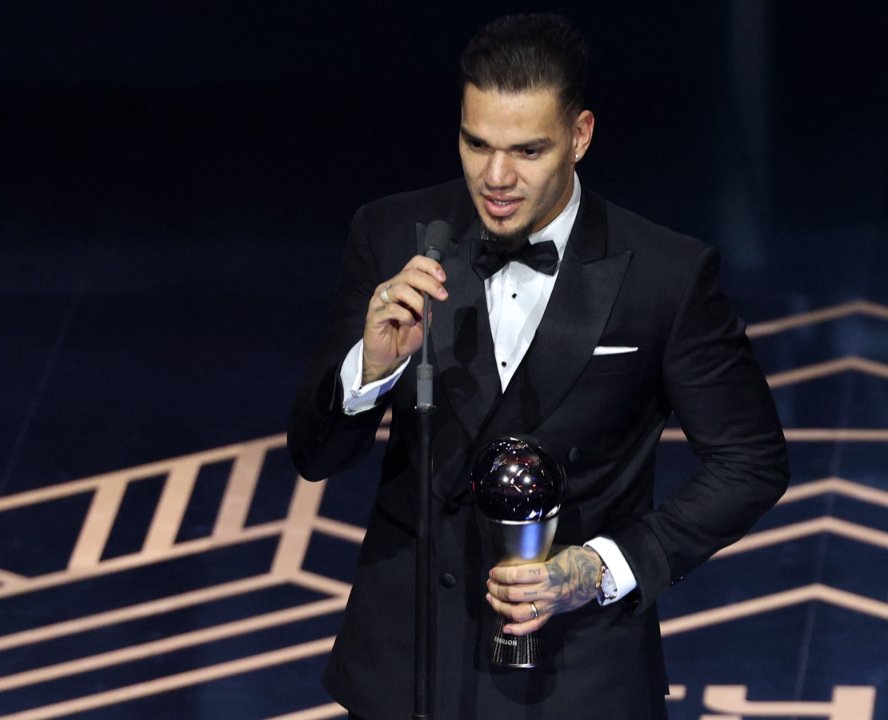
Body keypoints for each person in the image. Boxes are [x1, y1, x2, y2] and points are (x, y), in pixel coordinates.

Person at [288, 13, 788, 720]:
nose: (495, 178)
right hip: (409, 669)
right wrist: (368, 369)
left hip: (577, 672)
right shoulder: (395, 235)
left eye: (527, 151)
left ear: (580, 136)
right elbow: (313, 457)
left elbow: (751, 462)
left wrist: (600, 568)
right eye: (476, 144)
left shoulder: (665, 275)